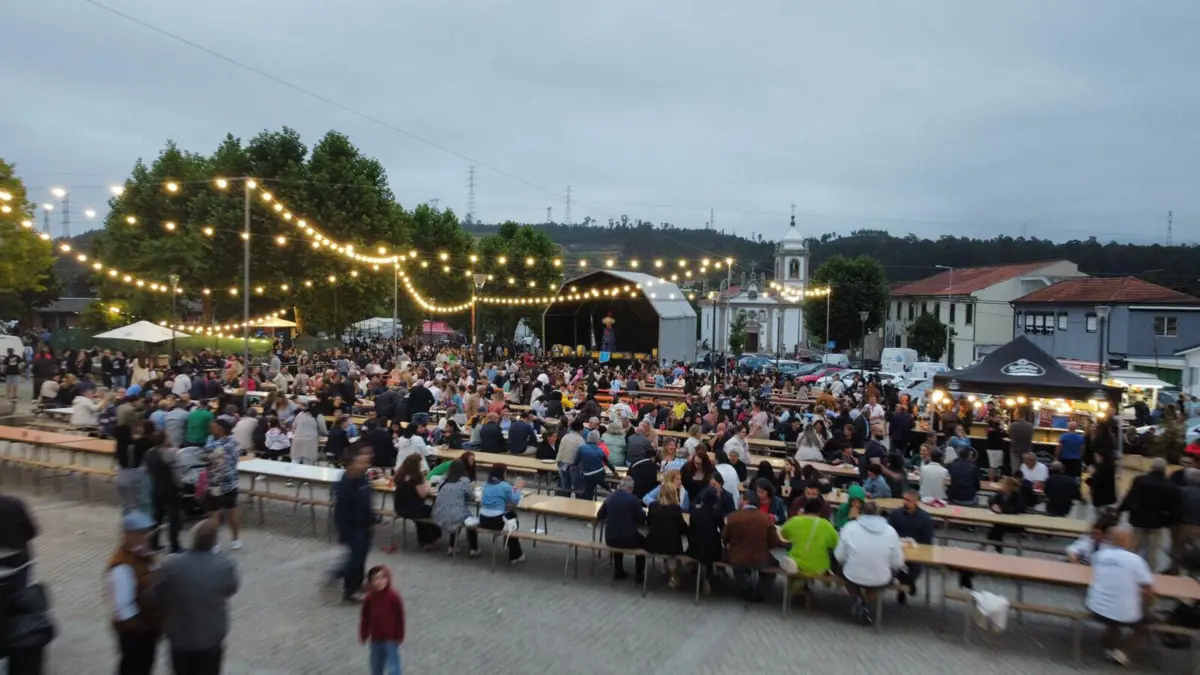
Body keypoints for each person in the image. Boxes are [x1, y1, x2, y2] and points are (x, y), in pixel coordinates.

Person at [151, 520, 240, 675]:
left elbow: (156, 593)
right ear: (214, 542)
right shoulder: (225, 565)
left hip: (180, 638)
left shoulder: (172, 565)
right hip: (210, 638)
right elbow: (231, 589)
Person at [1085, 526, 1155, 666]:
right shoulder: (1136, 561)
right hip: (1123, 613)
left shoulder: (1099, 555)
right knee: (1146, 625)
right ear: (1129, 541)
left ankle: (1109, 641)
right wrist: (1148, 607)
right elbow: (1148, 590)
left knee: (1115, 608)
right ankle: (1121, 652)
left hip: (1095, 608)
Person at [834, 501, 905, 626]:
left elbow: (839, 556)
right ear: (879, 514)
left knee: (840, 569)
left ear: (862, 512)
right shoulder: (891, 531)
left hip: (853, 575)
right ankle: (868, 604)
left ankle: (858, 598)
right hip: (880, 578)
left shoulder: (850, 527)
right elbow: (897, 562)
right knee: (888, 575)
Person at [107, 511, 160, 675]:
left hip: (147, 629)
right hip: (135, 634)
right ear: (127, 535)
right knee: (134, 668)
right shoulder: (121, 567)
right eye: (140, 534)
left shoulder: (143, 556)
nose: (145, 538)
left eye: (146, 533)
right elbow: (123, 608)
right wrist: (143, 630)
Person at [1119, 457, 1182, 573]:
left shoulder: (1140, 480)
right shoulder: (1171, 486)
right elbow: (1174, 508)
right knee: (1152, 552)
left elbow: (1130, 498)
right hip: (1156, 523)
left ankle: (1130, 571)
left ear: (1152, 467)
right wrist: (1167, 522)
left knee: (1134, 548)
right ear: (1164, 470)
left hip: (1138, 520)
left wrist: (1121, 510)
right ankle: (1150, 574)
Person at [723, 497, 787, 602]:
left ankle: (744, 587)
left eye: (741, 499)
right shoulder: (766, 518)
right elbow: (773, 541)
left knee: (737, 565)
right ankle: (761, 592)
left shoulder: (733, 517)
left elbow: (725, 537)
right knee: (773, 567)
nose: (739, 501)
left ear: (746, 502)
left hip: (737, 557)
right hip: (760, 558)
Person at [334, 447, 376, 602]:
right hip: (353, 527)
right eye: (361, 462)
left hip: (365, 526)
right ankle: (347, 588)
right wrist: (342, 532)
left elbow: (367, 502)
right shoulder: (346, 482)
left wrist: (372, 520)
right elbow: (340, 510)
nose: (364, 465)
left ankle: (356, 584)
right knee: (355, 559)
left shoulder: (363, 479)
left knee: (360, 557)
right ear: (352, 463)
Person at [780, 498, 839, 598]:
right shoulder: (827, 525)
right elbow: (835, 544)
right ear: (819, 512)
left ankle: (797, 587)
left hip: (796, 564)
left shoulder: (795, 521)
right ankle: (804, 585)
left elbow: (783, 534)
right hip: (818, 567)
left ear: (805, 510)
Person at [887, 489, 934, 603]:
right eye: (904, 499)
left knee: (913, 569)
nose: (905, 502)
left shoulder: (925, 519)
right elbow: (888, 533)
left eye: (909, 500)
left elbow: (927, 541)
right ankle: (904, 587)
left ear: (916, 502)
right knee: (896, 566)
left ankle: (906, 584)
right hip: (898, 549)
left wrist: (916, 547)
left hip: (917, 551)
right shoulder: (896, 514)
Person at [597, 477, 647, 582]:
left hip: (610, 539)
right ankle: (639, 574)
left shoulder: (610, 497)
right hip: (628, 540)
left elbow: (600, 515)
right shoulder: (633, 499)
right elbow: (642, 518)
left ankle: (618, 571)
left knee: (618, 533)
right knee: (643, 542)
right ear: (631, 488)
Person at [359, 565, 405, 675]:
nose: (380, 582)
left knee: (393, 666)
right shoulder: (369, 599)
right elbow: (365, 618)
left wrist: (399, 635)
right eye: (376, 579)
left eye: (383, 578)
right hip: (375, 639)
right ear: (371, 582)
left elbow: (399, 618)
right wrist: (363, 633)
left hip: (390, 638)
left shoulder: (394, 597)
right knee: (376, 665)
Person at [479, 463, 526, 563]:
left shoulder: (487, 483)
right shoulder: (505, 486)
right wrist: (518, 489)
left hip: (483, 519)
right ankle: (515, 554)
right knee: (512, 520)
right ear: (503, 473)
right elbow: (514, 501)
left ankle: (511, 545)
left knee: (510, 516)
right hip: (496, 521)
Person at [143, 434, 183, 553]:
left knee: (156, 517)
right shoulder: (168, 453)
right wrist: (180, 486)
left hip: (155, 488)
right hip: (169, 489)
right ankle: (174, 546)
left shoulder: (148, 453)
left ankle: (153, 543)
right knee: (173, 518)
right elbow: (176, 472)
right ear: (164, 440)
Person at [645, 481, 689, 588]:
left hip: (652, 544)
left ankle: (666, 568)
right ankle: (673, 576)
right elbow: (682, 528)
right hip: (671, 546)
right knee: (672, 543)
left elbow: (649, 523)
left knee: (664, 538)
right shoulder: (675, 509)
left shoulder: (653, 506)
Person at [431, 460, 479, 557]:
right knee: (469, 520)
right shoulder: (464, 481)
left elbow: (432, 478)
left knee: (456, 514)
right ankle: (474, 549)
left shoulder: (444, 479)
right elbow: (471, 497)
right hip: (455, 514)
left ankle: (452, 546)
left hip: (438, 513)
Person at [393, 454, 441, 550]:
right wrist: (426, 484)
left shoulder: (400, 475)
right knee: (436, 510)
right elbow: (423, 494)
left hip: (400, 508)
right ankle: (429, 539)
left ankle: (423, 539)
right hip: (413, 509)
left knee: (424, 512)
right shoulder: (417, 477)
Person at [686, 487, 726, 594]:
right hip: (712, 549)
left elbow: (691, 529)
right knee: (712, 546)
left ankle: (698, 572)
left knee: (702, 545)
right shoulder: (717, 512)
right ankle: (709, 576)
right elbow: (723, 530)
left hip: (694, 548)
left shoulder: (694, 512)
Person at [555, 418, 585, 497]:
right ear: (581, 430)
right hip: (573, 466)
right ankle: (577, 505)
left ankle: (566, 503)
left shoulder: (565, 437)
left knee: (566, 487)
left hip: (561, 463)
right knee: (577, 488)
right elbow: (582, 455)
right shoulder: (580, 440)